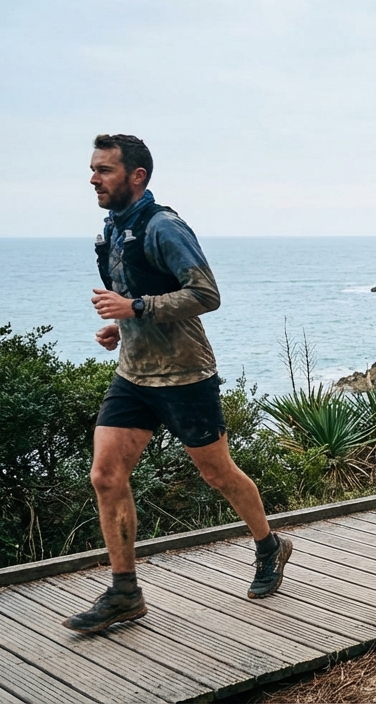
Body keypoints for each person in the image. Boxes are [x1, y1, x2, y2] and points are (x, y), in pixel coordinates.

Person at [66, 134, 290, 634]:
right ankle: (126, 592)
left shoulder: (164, 227)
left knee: (218, 474)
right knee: (105, 475)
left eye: (103, 169)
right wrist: (121, 324)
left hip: (186, 376)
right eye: (93, 168)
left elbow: (205, 294)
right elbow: (135, 296)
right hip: (133, 376)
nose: (93, 178)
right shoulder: (110, 231)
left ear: (136, 176)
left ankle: (269, 545)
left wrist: (136, 308)